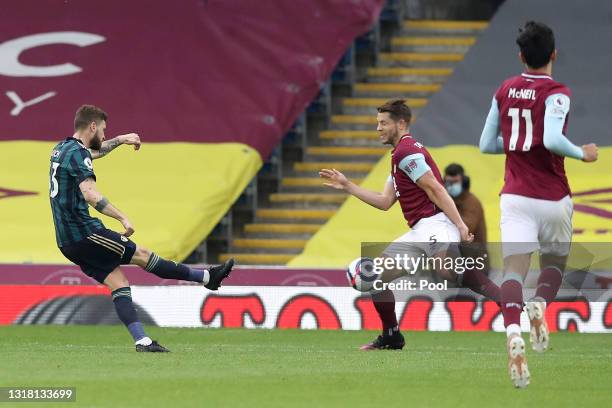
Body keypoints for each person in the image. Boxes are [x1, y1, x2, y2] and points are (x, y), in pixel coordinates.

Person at [49, 105, 235, 352]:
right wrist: (122, 217)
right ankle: (207, 278)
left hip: (67, 241)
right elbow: (90, 194)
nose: (104, 135)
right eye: (103, 130)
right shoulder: (79, 154)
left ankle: (142, 341)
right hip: (84, 233)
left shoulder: (63, 148)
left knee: (119, 283)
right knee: (143, 255)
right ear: (92, 126)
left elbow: (94, 152)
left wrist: (121, 140)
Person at [320, 99, 499, 350]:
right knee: (375, 277)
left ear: (401, 123)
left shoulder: (407, 151)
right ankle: (392, 335)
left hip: (436, 223)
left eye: (384, 123)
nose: (378, 128)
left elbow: (435, 188)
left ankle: (504, 298)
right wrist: (349, 186)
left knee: (446, 269)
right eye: (377, 123)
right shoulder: (398, 157)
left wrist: (459, 224)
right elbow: (384, 202)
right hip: (418, 231)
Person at [479, 21, 598, 388]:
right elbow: (549, 138)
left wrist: (517, 142)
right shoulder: (557, 92)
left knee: (514, 271)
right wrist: (581, 153)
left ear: (520, 56)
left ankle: (513, 332)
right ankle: (541, 306)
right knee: (555, 263)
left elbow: (485, 145)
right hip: (552, 197)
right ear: (554, 55)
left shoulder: (504, 88)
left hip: (514, 197)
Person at [444, 163, 490, 275]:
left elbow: (466, 229)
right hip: (456, 263)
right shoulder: (446, 201)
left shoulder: (472, 202)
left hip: (475, 265)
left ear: (464, 182)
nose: (451, 186)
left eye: (455, 182)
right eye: (449, 182)